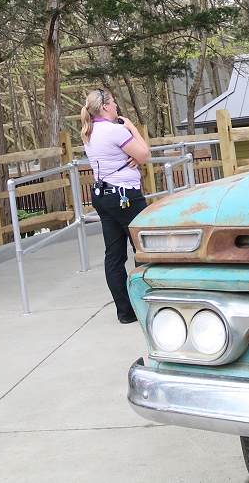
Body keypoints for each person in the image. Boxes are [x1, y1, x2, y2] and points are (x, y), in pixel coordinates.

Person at [80, 89, 151, 324]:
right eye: (114, 102)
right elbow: (145, 154)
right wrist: (131, 128)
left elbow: (128, 156)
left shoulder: (88, 132)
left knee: (113, 255)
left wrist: (131, 157)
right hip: (125, 195)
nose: (117, 106)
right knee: (143, 249)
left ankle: (125, 311)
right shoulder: (116, 131)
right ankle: (146, 306)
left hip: (102, 195)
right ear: (106, 107)